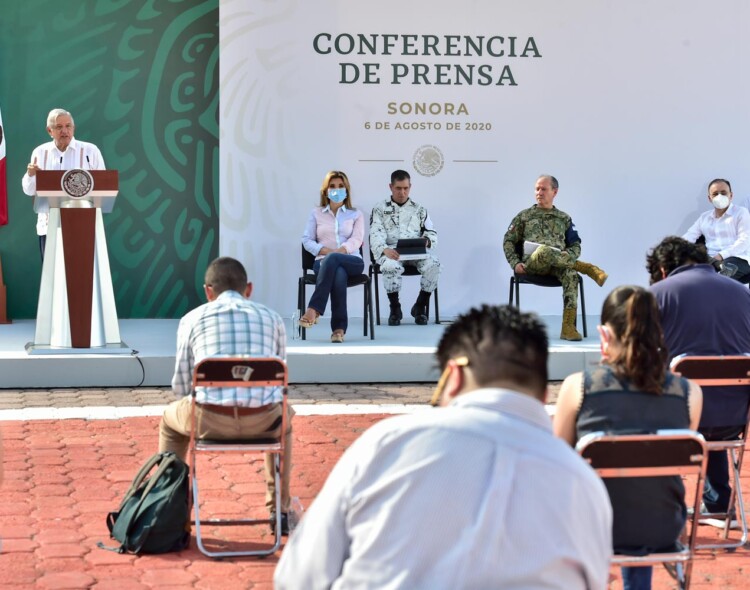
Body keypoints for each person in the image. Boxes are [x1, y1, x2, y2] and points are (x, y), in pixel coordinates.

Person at [275, 305, 612, 590]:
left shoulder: (388, 445)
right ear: (542, 395)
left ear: (453, 376)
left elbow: (299, 577)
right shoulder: (582, 484)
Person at [554, 285, 703, 590]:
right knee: (644, 490)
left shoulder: (577, 387)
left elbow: (558, 463)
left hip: (595, 530)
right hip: (662, 528)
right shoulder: (690, 393)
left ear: (604, 335)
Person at [158, 257, 294, 534]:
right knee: (286, 421)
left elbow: (181, 387)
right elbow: (279, 383)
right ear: (249, 289)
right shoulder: (272, 319)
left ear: (208, 291)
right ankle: (278, 510)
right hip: (263, 423)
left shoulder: (191, 320)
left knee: (169, 421)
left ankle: (170, 508)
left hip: (207, 422)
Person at [648, 236, 750, 528]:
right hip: (735, 420)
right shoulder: (742, 293)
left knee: (669, 393)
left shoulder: (658, 294)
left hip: (679, 420)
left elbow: (635, 358)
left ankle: (661, 507)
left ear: (663, 270)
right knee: (710, 391)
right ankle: (718, 505)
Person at [503, 174, 608, 341]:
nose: (539, 192)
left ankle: (568, 328)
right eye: (537, 189)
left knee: (571, 275)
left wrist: (571, 254)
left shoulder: (564, 218)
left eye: (543, 189)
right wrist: (515, 263)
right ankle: (586, 268)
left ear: (555, 192)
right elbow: (508, 241)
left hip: (557, 267)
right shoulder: (524, 216)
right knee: (544, 250)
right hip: (532, 265)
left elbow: (575, 244)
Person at [21, 108, 105, 261]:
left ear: (74, 128)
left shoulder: (90, 151)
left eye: (68, 126)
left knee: (82, 280)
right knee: (53, 282)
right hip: (49, 227)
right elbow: (29, 190)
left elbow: (105, 187)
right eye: (59, 127)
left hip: (82, 228)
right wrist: (31, 175)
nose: (64, 131)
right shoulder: (40, 153)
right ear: (49, 130)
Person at [299, 170, 365, 343]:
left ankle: (314, 309)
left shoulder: (356, 214)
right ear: (326, 191)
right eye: (333, 186)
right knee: (338, 273)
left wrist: (337, 253)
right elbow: (306, 240)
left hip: (353, 261)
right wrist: (327, 252)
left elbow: (357, 239)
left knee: (335, 261)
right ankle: (338, 329)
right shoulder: (316, 213)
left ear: (347, 189)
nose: (337, 190)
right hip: (323, 263)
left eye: (341, 186)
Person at [369, 169, 440, 326]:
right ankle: (395, 309)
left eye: (406, 188)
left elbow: (432, 232)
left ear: (410, 187)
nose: (402, 192)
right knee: (389, 266)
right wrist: (384, 249)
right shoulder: (380, 209)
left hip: (415, 252)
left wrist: (427, 241)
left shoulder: (419, 209)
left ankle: (420, 306)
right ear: (391, 187)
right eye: (398, 188)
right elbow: (375, 234)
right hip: (392, 251)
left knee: (434, 264)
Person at [682, 178, 750, 283]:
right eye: (715, 194)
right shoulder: (704, 217)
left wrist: (721, 255)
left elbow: (744, 241)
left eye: (723, 193)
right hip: (711, 260)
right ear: (710, 198)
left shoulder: (741, 213)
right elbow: (688, 237)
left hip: (737, 259)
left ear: (731, 195)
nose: (719, 196)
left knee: (728, 269)